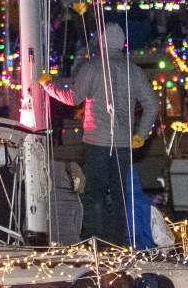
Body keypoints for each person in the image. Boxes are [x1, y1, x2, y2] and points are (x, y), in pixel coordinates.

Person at [42, 23, 160, 246]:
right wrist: (141, 134)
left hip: (96, 142)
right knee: (119, 195)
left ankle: (96, 240)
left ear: (102, 43)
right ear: (122, 44)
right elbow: (152, 104)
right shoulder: (133, 71)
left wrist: (49, 86)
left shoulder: (92, 68)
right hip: (124, 144)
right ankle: (117, 243)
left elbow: (73, 98)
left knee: (94, 193)